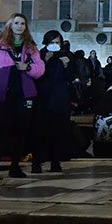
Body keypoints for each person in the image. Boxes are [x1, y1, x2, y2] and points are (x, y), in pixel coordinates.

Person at [0, 13, 45, 178]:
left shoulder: (30, 46)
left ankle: (15, 166)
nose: (20, 26)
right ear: (10, 25)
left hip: (23, 92)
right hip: (4, 91)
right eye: (16, 23)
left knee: (21, 131)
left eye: (23, 23)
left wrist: (27, 67)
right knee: (0, 130)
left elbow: (40, 69)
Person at [32, 30, 71, 173]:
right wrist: (45, 61)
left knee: (57, 131)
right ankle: (37, 162)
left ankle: (56, 161)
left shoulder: (66, 56)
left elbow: (72, 76)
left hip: (59, 99)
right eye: (51, 42)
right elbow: (36, 74)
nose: (54, 45)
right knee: (39, 131)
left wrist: (66, 66)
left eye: (57, 43)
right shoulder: (40, 55)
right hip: (43, 98)